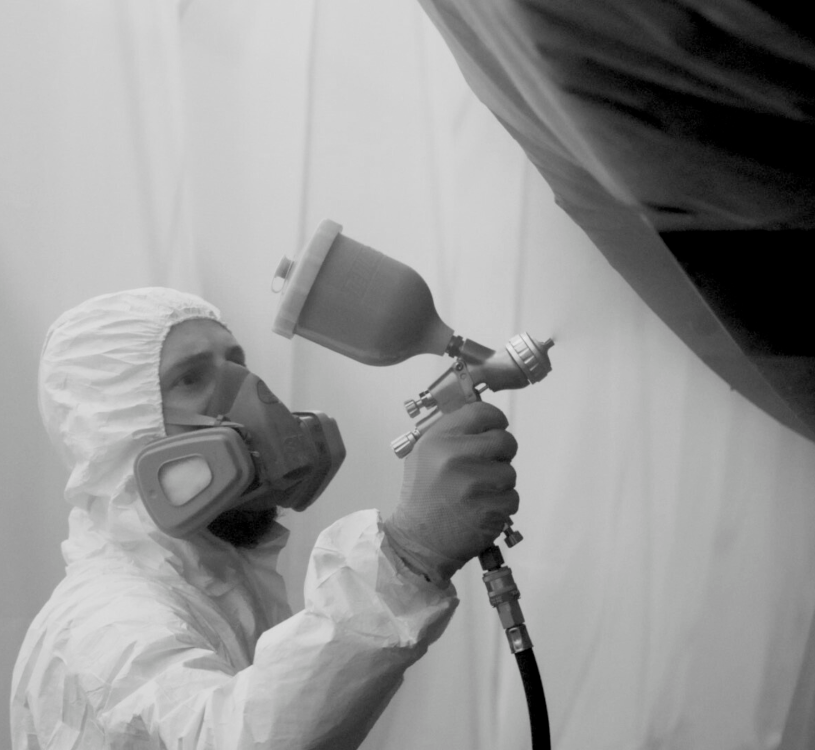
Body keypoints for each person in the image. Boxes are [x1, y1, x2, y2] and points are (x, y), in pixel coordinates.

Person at [10, 287, 520, 749]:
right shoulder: (105, 625)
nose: (247, 394)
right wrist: (405, 556)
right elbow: (233, 739)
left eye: (237, 364)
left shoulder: (208, 587)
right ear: (120, 435)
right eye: (190, 378)